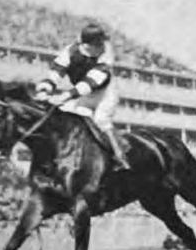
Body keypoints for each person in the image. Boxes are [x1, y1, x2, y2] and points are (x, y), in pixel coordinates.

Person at [34, 23, 130, 170]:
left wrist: (64, 96)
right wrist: (44, 90)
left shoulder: (106, 57)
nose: (101, 46)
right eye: (98, 44)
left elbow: (88, 84)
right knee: (64, 114)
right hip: (83, 94)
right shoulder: (70, 51)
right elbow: (56, 72)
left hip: (105, 94)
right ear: (87, 45)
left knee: (100, 119)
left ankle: (120, 156)